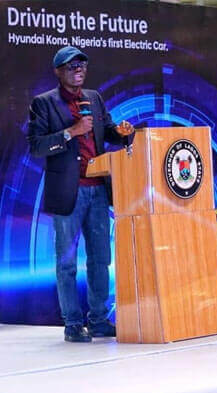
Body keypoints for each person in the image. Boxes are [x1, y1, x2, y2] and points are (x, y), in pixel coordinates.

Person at [27, 46, 135, 342]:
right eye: (72, 65)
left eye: (82, 65)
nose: (78, 69)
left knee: (101, 259)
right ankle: (73, 324)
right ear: (58, 71)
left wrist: (123, 133)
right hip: (68, 193)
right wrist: (71, 132)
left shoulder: (94, 98)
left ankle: (98, 319)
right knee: (67, 263)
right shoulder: (44, 103)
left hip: (98, 190)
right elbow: (36, 146)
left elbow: (107, 131)